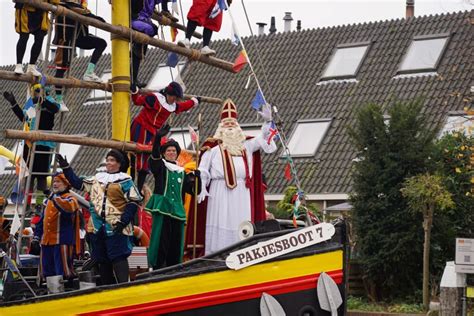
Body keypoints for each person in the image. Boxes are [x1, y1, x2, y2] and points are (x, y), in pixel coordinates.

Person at [193, 99, 277, 255]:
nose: (230, 126)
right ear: (221, 126)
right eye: (227, 123)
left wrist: (268, 122)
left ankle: (242, 252)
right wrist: (202, 187)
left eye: (233, 123)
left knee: (241, 223)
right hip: (220, 191)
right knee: (221, 221)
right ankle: (216, 254)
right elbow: (203, 169)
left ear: (238, 125)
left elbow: (263, 139)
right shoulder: (213, 147)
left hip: (242, 192)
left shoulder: (246, 145)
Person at [57, 149, 143, 284]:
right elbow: (77, 183)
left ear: (119, 164)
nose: (108, 163)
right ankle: (106, 289)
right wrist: (66, 168)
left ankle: (125, 286)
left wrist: (124, 221)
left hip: (116, 225)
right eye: (107, 160)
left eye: (112, 160)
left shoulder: (126, 181)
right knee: (102, 259)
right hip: (97, 226)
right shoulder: (97, 179)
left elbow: (133, 203)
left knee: (118, 257)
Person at [146, 124, 201, 269]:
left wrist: (198, 177)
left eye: (174, 151)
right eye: (168, 150)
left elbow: (195, 191)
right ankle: (158, 267)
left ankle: (174, 267)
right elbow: (154, 156)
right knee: (161, 240)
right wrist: (158, 138)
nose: (171, 153)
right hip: (163, 208)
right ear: (164, 153)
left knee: (176, 243)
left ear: (177, 154)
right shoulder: (160, 166)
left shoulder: (182, 172)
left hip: (177, 210)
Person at [131, 81, 199, 192]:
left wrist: (194, 101)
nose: (174, 100)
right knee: (136, 156)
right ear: (168, 94)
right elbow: (137, 101)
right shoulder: (154, 98)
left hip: (154, 133)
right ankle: (131, 187)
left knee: (147, 160)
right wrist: (135, 91)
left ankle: (138, 190)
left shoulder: (172, 105)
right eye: (173, 97)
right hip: (141, 127)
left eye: (176, 98)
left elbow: (183, 106)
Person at [3, 86, 60, 195]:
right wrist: (13, 103)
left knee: (42, 176)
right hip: (29, 143)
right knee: (29, 175)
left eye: (38, 91)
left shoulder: (50, 101)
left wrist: (42, 101)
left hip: (44, 142)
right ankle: (27, 204)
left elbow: (55, 109)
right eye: (35, 91)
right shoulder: (31, 102)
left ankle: (38, 204)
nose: (35, 93)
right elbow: (23, 118)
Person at [53, 0, 108, 108]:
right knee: (62, 66)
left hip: (79, 35)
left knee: (101, 43)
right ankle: (59, 100)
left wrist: (91, 16)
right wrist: (94, 17)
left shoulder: (82, 3)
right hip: (66, 37)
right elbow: (74, 7)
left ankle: (89, 72)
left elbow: (81, 9)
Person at [30, 172, 81, 280]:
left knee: (62, 272)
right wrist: (36, 237)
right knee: (47, 272)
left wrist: (53, 197)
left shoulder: (71, 199)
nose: (55, 184)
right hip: (46, 242)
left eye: (58, 181)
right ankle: (50, 293)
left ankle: (64, 293)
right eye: (54, 182)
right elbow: (42, 221)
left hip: (61, 242)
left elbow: (67, 209)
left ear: (66, 184)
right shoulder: (48, 201)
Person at [130, 0, 171, 86]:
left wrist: (165, 9)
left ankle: (133, 78)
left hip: (144, 23)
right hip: (135, 21)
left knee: (140, 53)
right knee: (152, 29)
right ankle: (132, 77)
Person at [14, 0, 59, 76]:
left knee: (40, 38)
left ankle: (32, 66)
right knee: (24, 37)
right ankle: (19, 65)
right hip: (25, 8)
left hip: (41, 10)